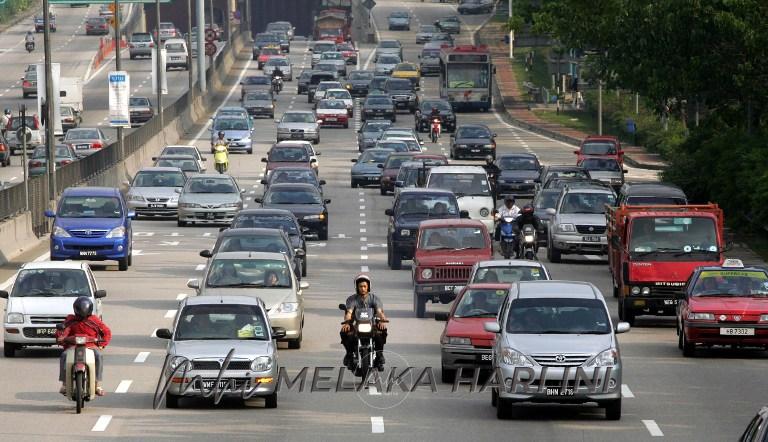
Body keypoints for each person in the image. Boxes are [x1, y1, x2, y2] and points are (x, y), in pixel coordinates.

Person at [56, 296, 112, 396]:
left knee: (98, 356)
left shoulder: (94, 320)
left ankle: (97, 384)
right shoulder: (70, 319)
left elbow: (106, 332)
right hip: (73, 346)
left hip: (91, 346)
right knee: (64, 356)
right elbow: (63, 330)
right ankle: (64, 384)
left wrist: (102, 343)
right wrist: (61, 337)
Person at [340, 274, 388, 370]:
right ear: (357, 287)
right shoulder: (352, 299)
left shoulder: (374, 298)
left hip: (372, 324)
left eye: (365, 286)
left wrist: (382, 320)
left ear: (368, 287)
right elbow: (349, 312)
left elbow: (379, 311)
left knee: (381, 332)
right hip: (357, 324)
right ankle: (349, 354)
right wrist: (346, 322)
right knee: (344, 332)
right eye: (360, 286)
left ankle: (379, 354)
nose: (363, 288)